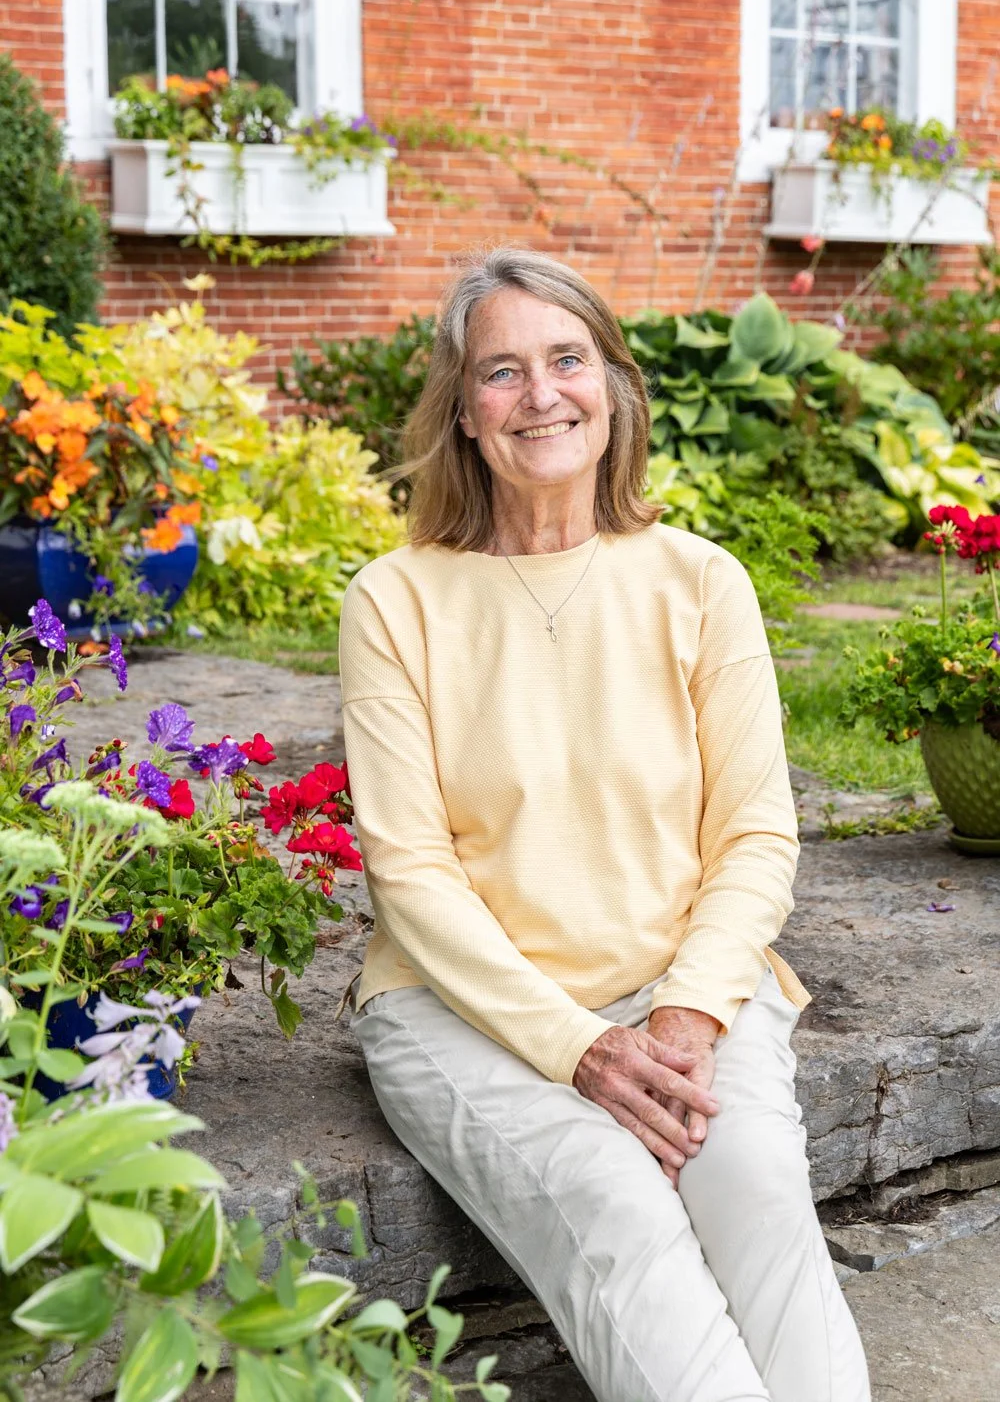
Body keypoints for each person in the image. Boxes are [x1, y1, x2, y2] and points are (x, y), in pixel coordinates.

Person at [338, 247, 870, 1402]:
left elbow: (755, 835)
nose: (540, 395)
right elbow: (411, 875)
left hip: (681, 989)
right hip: (460, 1005)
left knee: (759, 1188)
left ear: (614, 389)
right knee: (617, 1202)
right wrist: (579, 1048)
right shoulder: (396, 597)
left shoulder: (698, 579)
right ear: (464, 414)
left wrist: (683, 1007)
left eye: (566, 359)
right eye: (502, 372)